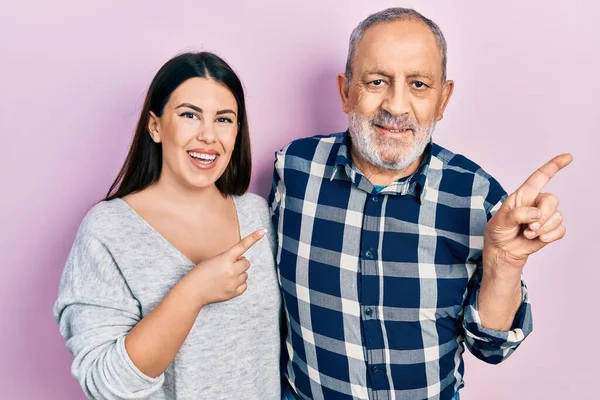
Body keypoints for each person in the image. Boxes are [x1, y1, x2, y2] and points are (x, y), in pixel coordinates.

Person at [270, 8, 572, 400]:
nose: (396, 107)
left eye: (418, 84)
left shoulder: (478, 197)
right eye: (377, 81)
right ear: (345, 92)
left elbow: (492, 348)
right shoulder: (292, 169)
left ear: (442, 99)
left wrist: (504, 266)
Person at [54, 52, 282, 399]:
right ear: (155, 126)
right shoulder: (108, 231)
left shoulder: (258, 215)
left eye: (223, 119)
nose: (208, 135)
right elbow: (107, 386)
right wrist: (192, 293)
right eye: (190, 115)